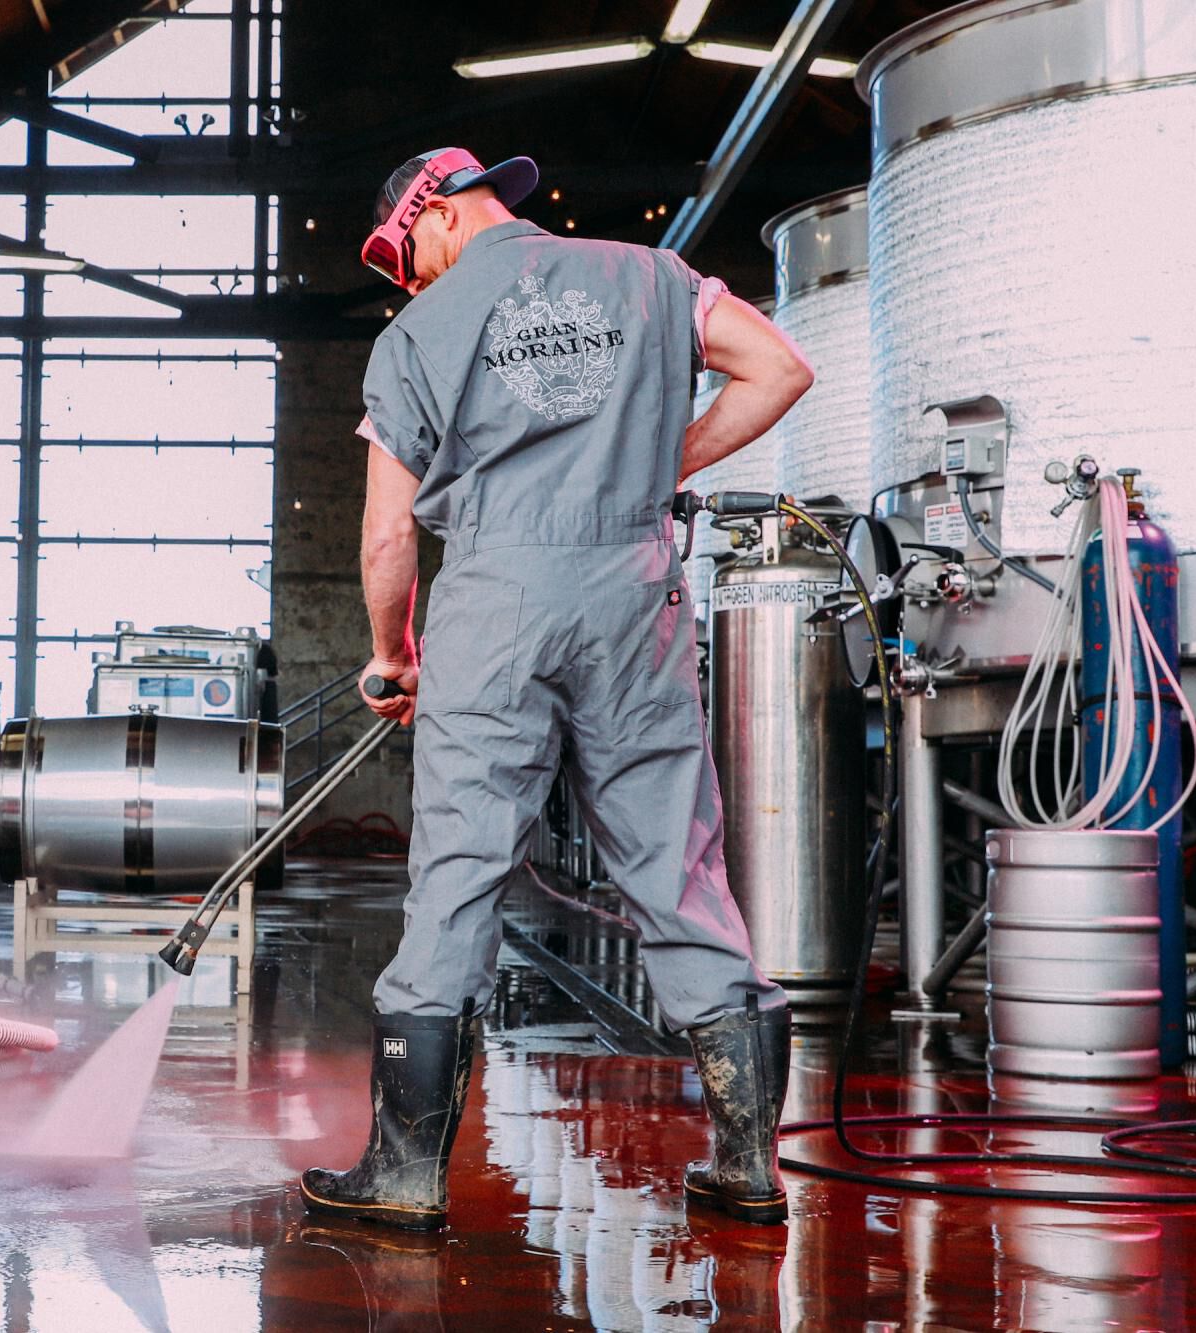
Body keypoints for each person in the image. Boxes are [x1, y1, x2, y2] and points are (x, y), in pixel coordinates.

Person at [299, 147, 815, 1232]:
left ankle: (403, 1174)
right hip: (631, 592)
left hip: (492, 602)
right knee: (675, 860)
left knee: (459, 866)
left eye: (407, 258)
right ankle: (746, 1165)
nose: (411, 283)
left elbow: (390, 531)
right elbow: (777, 369)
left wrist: (393, 654)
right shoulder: (653, 275)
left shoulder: (413, 340)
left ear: (431, 214)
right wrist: (657, 467)